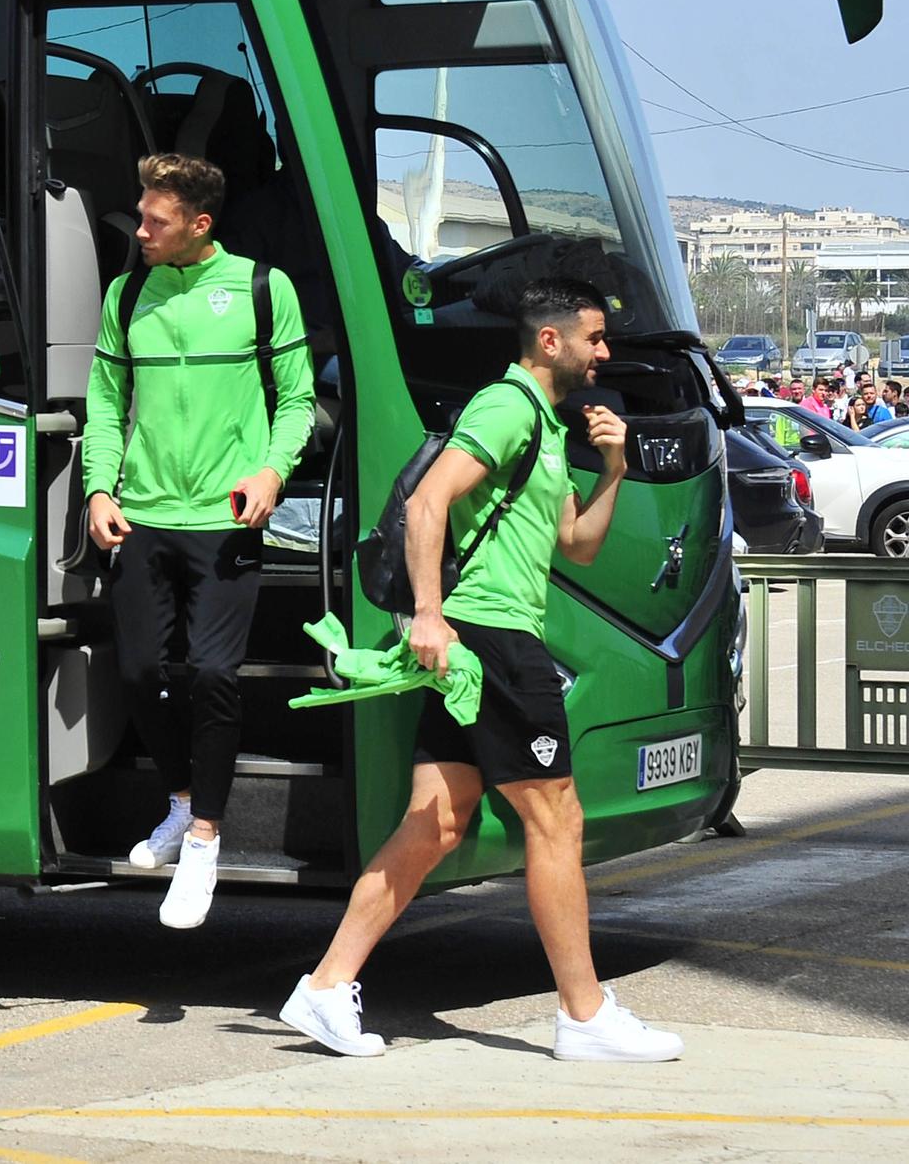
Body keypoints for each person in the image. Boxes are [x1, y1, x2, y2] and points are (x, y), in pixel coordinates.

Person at [278, 268, 684, 1062]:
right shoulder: (505, 407)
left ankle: (325, 987)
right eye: (594, 337)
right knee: (556, 819)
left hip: (483, 642)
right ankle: (584, 1012)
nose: (603, 352)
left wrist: (615, 469)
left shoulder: (544, 423)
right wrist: (429, 613)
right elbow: (430, 501)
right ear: (550, 339)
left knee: (437, 822)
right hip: (492, 640)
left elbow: (578, 543)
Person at [85, 152, 315, 929]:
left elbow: (298, 399)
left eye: (156, 220)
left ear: (200, 224)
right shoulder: (128, 294)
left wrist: (273, 471)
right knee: (142, 669)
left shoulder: (261, 288)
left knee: (214, 674)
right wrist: (99, 487)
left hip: (224, 519)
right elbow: (107, 401)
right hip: (145, 515)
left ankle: (207, 840)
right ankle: (181, 804)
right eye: (142, 214)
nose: (141, 229)